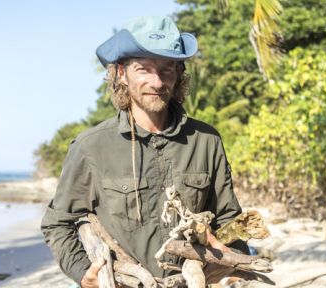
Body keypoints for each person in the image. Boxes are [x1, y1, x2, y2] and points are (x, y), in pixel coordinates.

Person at [41, 15, 247, 287]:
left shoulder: (206, 141)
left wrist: (233, 261)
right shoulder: (92, 146)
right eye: (143, 69)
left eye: (166, 70)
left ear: (179, 75)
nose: (157, 82)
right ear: (121, 74)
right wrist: (83, 273)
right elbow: (57, 224)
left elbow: (230, 220)